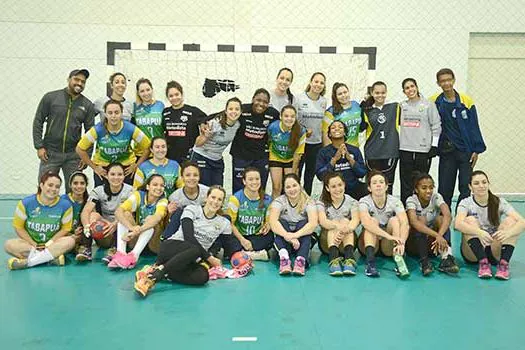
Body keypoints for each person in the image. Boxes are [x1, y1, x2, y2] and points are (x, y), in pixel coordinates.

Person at [133, 186, 232, 297]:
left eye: (219, 199)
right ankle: (154, 277)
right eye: (213, 197)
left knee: (203, 277)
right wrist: (210, 258)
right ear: (206, 198)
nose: (215, 202)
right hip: (171, 248)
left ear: (222, 203)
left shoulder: (224, 223)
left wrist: (241, 258)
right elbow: (189, 236)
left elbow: (228, 246)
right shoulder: (192, 209)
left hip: (189, 259)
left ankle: (156, 271)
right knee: (195, 249)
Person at [430, 68, 486, 211]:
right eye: (443, 81)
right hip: (446, 151)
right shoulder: (434, 102)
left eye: (449, 80)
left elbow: (474, 126)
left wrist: (476, 150)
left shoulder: (466, 101)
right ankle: (444, 218)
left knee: (465, 187)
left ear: (454, 80)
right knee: (445, 188)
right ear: (438, 83)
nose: (446, 83)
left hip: (465, 151)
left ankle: (462, 217)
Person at [32, 69, 96, 193]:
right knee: (46, 188)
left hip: (74, 155)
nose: (79, 83)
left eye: (83, 81)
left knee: (75, 192)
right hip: (50, 153)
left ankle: (73, 213)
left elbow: (90, 133)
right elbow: (38, 121)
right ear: (69, 79)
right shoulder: (51, 97)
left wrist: (86, 155)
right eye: (76, 79)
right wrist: (39, 146)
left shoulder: (87, 105)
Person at [455, 171, 525, 280]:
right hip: (473, 253)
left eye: (484, 182)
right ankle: (483, 264)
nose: (481, 186)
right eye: (476, 183)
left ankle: (503, 265)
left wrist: (508, 233)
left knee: (511, 221)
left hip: (493, 248)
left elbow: (522, 222)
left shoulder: (499, 202)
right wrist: (480, 232)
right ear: (470, 186)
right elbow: (457, 224)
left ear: (488, 184)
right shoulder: (466, 202)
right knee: (469, 220)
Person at [5, 172, 75, 270]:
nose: (53, 189)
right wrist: (34, 244)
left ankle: (29, 262)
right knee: (9, 245)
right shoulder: (26, 203)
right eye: (50, 185)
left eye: (57, 187)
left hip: (53, 244)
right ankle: (49, 259)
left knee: (70, 241)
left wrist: (49, 244)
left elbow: (65, 229)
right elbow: (19, 227)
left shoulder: (65, 205)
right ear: (41, 185)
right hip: (31, 245)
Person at [76, 99, 151, 186]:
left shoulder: (130, 128)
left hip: (126, 167)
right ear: (105, 114)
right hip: (103, 168)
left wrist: (136, 165)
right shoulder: (98, 129)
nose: (113, 116)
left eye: (116, 112)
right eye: (110, 113)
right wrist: (95, 167)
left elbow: (148, 147)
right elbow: (80, 149)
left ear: (121, 113)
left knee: (127, 196)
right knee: (102, 196)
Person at [405, 172, 459, 276]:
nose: (428, 191)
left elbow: (448, 215)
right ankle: (424, 261)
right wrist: (437, 235)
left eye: (431, 187)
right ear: (416, 190)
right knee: (421, 220)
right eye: (424, 188)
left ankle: (446, 258)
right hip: (414, 245)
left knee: (441, 219)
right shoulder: (411, 200)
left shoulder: (436, 197)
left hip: (434, 244)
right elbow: (414, 222)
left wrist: (439, 235)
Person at [78, 163, 134, 262]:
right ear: (106, 176)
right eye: (112, 174)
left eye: (119, 174)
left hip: (122, 230)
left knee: (126, 214)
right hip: (105, 230)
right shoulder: (98, 191)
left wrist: (115, 224)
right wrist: (87, 226)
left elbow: (131, 214)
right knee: (93, 215)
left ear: (124, 176)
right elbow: (86, 211)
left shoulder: (130, 191)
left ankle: (115, 250)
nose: (116, 177)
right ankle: (86, 248)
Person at [110, 174, 168, 269]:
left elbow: (157, 217)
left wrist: (136, 231)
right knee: (126, 214)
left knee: (151, 219)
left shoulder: (163, 200)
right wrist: (131, 228)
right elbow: (118, 211)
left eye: (162, 185)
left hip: (153, 244)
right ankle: (121, 253)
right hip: (137, 240)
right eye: (155, 184)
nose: (159, 188)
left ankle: (134, 256)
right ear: (148, 186)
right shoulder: (138, 195)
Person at [399, 78, 441, 204]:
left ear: (416, 87)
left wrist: (434, 145)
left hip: (423, 150)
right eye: (407, 88)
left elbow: (436, 126)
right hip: (405, 149)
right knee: (406, 182)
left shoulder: (428, 105)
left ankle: (421, 210)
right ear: (404, 91)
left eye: (412, 86)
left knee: (421, 183)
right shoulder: (402, 106)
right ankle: (406, 211)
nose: (410, 89)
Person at [358, 170, 408, 278]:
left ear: (386, 186)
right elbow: (366, 223)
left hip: (387, 246)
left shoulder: (395, 201)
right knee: (372, 221)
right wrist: (389, 236)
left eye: (381, 182)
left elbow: (405, 223)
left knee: (395, 220)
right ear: (369, 188)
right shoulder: (364, 201)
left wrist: (402, 242)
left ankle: (399, 262)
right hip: (370, 244)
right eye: (374, 183)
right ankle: (370, 264)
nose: (378, 185)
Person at [230, 88, 280, 193]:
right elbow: (223, 115)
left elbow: (286, 123)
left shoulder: (273, 114)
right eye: (258, 100)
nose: (261, 104)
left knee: (259, 186)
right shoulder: (242, 109)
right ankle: (237, 208)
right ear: (253, 99)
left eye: (265, 102)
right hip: (241, 155)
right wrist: (204, 122)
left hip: (261, 157)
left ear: (268, 103)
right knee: (239, 186)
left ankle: (259, 208)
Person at [268, 174, 318, 276]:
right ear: (284, 189)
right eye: (288, 187)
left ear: (300, 185)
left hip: (301, 240)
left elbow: (313, 224)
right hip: (285, 239)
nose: (292, 189)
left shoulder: (309, 201)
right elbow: (273, 223)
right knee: (281, 223)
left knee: (304, 223)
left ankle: (300, 261)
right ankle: (284, 259)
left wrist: (295, 235)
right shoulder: (279, 201)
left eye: (294, 185)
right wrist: (288, 236)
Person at [191, 97, 242, 186]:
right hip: (202, 157)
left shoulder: (238, 125)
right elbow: (197, 143)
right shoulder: (215, 123)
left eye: (237, 109)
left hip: (217, 160)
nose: (233, 112)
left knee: (218, 190)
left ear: (241, 112)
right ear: (225, 111)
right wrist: (206, 136)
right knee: (206, 190)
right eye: (230, 109)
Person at [224, 167, 273, 260]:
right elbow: (230, 224)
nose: (254, 182)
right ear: (244, 181)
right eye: (250, 179)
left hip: (256, 236)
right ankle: (255, 254)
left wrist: (267, 226)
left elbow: (269, 221)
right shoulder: (235, 199)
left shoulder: (267, 199)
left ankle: (241, 254)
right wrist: (242, 240)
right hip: (239, 235)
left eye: (257, 179)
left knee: (270, 237)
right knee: (226, 238)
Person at [360, 81, 400, 195]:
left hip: (390, 152)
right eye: (377, 93)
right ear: (372, 93)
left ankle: (388, 209)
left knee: (387, 184)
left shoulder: (395, 107)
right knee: (373, 183)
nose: (380, 95)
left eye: (383, 92)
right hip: (373, 153)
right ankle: (372, 209)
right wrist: (361, 109)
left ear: (386, 92)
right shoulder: (367, 111)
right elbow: (360, 128)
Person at [317, 172, 360, 276]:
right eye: (333, 186)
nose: (337, 189)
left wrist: (346, 228)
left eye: (340, 185)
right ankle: (333, 259)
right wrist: (338, 226)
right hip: (327, 243)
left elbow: (355, 220)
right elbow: (323, 221)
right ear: (327, 188)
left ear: (344, 185)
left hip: (347, 241)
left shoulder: (352, 201)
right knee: (334, 222)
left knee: (346, 221)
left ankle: (349, 258)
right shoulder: (321, 201)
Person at [316, 120, 368, 200]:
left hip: (353, 189)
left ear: (344, 132)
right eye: (333, 128)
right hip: (333, 190)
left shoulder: (354, 150)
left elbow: (362, 173)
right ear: (329, 134)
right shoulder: (323, 152)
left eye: (340, 127)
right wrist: (334, 159)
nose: (337, 129)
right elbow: (320, 176)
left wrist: (349, 158)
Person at [296, 72, 328, 195]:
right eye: (316, 81)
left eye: (321, 82)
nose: (318, 85)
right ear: (310, 82)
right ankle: (295, 202)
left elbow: (324, 124)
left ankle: (306, 203)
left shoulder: (323, 101)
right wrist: (304, 129)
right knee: (296, 174)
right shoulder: (299, 98)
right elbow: (292, 120)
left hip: (316, 144)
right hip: (300, 143)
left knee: (309, 176)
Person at [162, 80, 207, 164]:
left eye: (177, 94)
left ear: (182, 94)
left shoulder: (193, 111)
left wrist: (202, 126)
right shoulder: (165, 113)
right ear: (167, 98)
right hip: (170, 157)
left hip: (189, 157)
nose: (174, 98)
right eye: (171, 96)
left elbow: (207, 121)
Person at [163, 161, 209, 239]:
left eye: (195, 175)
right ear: (182, 178)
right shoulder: (174, 197)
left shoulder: (208, 193)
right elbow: (168, 223)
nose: (192, 178)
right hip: (183, 228)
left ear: (199, 177)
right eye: (188, 175)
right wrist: (169, 214)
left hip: (205, 226)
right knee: (179, 212)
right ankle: (166, 241)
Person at [267, 105, 306, 198]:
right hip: (275, 157)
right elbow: (268, 141)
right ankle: (274, 210)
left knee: (290, 187)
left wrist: (293, 174)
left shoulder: (301, 131)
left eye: (292, 116)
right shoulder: (273, 127)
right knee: (277, 187)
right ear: (281, 117)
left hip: (291, 159)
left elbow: (297, 155)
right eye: (286, 116)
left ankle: (290, 211)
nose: (289, 119)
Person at [322, 82, 362, 147]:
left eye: (345, 92)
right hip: (338, 149)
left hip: (355, 148)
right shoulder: (330, 112)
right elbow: (325, 135)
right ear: (335, 96)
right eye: (340, 94)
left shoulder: (356, 105)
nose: (343, 95)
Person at [61, 172, 89, 251]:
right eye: (75, 183)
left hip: (81, 235)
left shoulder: (90, 201)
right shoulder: (63, 200)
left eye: (82, 183)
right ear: (70, 185)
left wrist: (83, 230)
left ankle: (80, 248)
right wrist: (71, 234)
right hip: (64, 234)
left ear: (86, 185)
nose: (79, 186)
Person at [132, 78, 165, 143]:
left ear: (152, 90)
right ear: (138, 93)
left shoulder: (160, 105)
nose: (146, 93)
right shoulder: (134, 107)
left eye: (148, 90)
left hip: (157, 148)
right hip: (141, 149)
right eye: (142, 91)